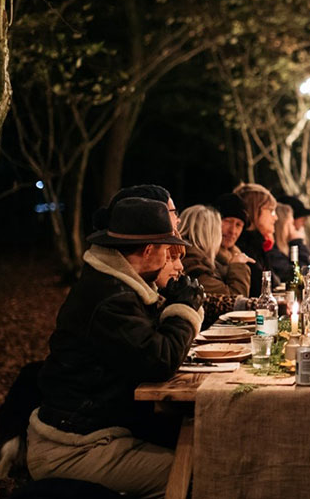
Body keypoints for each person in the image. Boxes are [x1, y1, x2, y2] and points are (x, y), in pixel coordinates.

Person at [29, 198, 204, 498]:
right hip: (74, 448)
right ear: (149, 250)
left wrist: (173, 304)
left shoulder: (116, 285)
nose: (168, 258)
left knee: (202, 450)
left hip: (97, 433)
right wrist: (183, 308)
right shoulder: (112, 299)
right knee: (198, 475)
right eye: (166, 249)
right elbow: (160, 361)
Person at [179, 204, 251, 297]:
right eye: (218, 232)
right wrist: (238, 266)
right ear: (210, 234)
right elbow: (235, 300)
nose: (233, 231)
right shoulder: (194, 265)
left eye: (238, 225)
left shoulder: (192, 257)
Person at [233, 183, 279, 296]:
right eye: (271, 210)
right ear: (254, 210)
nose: (275, 217)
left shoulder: (257, 244)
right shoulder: (243, 248)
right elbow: (261, 290)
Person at [277, 194, 310, 266]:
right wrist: (297, 242)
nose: (304, 225)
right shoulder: (273, 249)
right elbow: (303, 270)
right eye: (302, 220)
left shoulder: (286, 245)